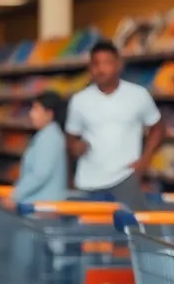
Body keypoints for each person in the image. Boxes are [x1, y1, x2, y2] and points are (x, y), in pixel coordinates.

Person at [65, 40, 165, 211]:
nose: (100, 69)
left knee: (130, 232)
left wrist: (144, 160)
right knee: (88, 234)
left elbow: (158, 128)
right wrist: (76, 147)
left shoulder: (138, 95)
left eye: (107, 63)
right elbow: (71, 138)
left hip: (125, 178)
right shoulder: (79, 101)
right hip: (88, 182)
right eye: (96, 63)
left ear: (118, 65)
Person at [10, 91, 68, 204]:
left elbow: (40, 174)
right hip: (39, 203)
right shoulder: (46, 134)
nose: (31, 114)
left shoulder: (50, 138)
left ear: (49, 113)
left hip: (43, 205)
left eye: (36, 109)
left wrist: (16, 194)